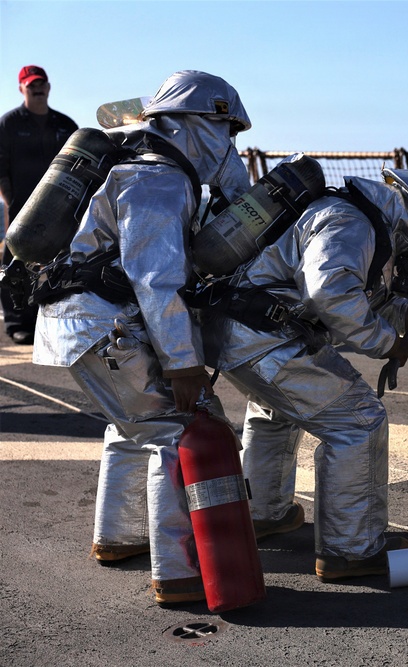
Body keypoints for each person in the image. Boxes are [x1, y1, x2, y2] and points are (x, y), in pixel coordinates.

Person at [32, 71, 253, 606]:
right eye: (226, 129)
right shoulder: (159, 181)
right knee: (175, 433)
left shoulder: (137, 169)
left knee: (132, 426)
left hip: (78, 323)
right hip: (103, 326)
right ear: (193, 124)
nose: (230, 145)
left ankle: (119, 536)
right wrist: (182, 365)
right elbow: (156, 280)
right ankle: (178, 572)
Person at [199, 166, 408, 582]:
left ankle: (263, 513)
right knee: (358, 421)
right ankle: (350, 549)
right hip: (265, 339)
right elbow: (330, 293)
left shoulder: (359, 221)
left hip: (239, 334)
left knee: (278, 411)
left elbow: (369, 298)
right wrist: (388, 343)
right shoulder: (351, 222)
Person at [0, 65, 78, 345]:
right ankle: (19, 323)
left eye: (41, 83)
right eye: (31, 83)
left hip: (63, 207)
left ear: (49, 86)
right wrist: (11, 203)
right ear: (22, 88)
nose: (37, 87)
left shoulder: (65, 125)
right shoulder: (9, 124)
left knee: (63, 262)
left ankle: (57, 322)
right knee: (17, 264)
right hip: (23, 205)